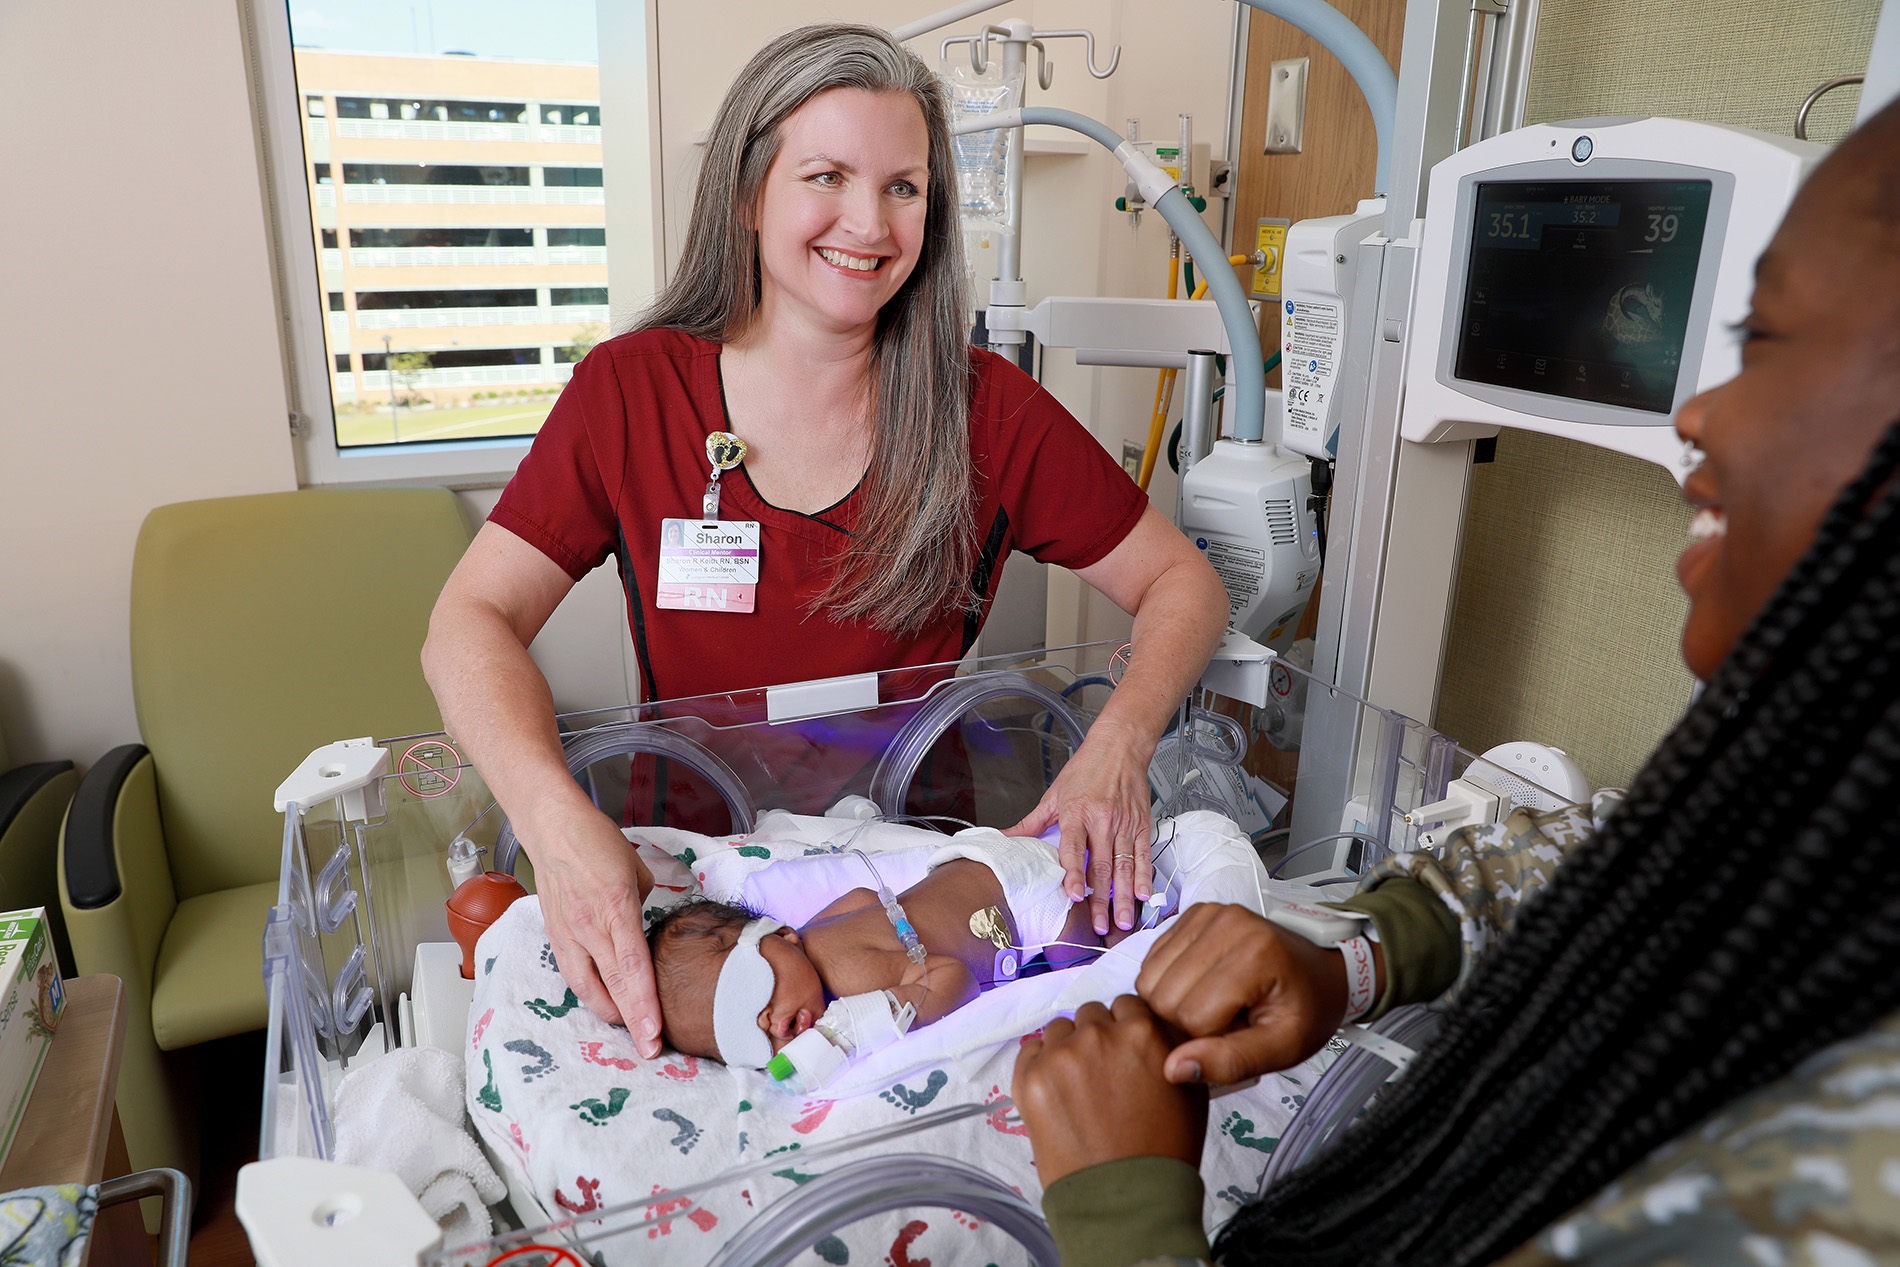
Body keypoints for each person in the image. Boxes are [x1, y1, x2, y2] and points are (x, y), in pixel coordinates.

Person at [1011, 98, 1900, 1266]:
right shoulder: (1813, 839)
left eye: (1768, 340)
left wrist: (1125, 1212)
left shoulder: (1841, 1186)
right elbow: (1603, 863)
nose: (1696, 410)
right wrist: (1359, 955)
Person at [422, 23, 1229, 1061]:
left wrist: (1116, 748)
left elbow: (1182, 582)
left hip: (917, 882)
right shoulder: (631, 393)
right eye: (827, 176)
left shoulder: (986, 413)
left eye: (904, 186)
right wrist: (552, 819)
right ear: (750, 191)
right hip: (699, 889)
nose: (869, 221)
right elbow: (466, 622)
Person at [648, 829, 1144, 1066]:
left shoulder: (850, 986)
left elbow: (955, 978)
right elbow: (865, 899)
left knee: (1091, 966)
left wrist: (886, 1011)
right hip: (968, 861)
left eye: (753, 989)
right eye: (748, 1038)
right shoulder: (806, 935)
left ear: (778, 937)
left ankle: (1145, 916)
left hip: (1023, 902)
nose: (773, 1023)